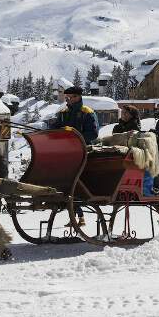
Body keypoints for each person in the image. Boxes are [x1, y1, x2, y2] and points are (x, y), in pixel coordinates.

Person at [48, 86, 98, 227]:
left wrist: (75, 137)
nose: (68, 100)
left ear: (78, 97)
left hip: (82, 151)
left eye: (71, 97)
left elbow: (93, 134)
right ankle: (76, 213)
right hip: (65, 153)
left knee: (73, 183)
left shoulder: (87, 113)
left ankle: (78, 213)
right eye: (67, 98)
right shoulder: (63, 113)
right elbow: (55, 129)